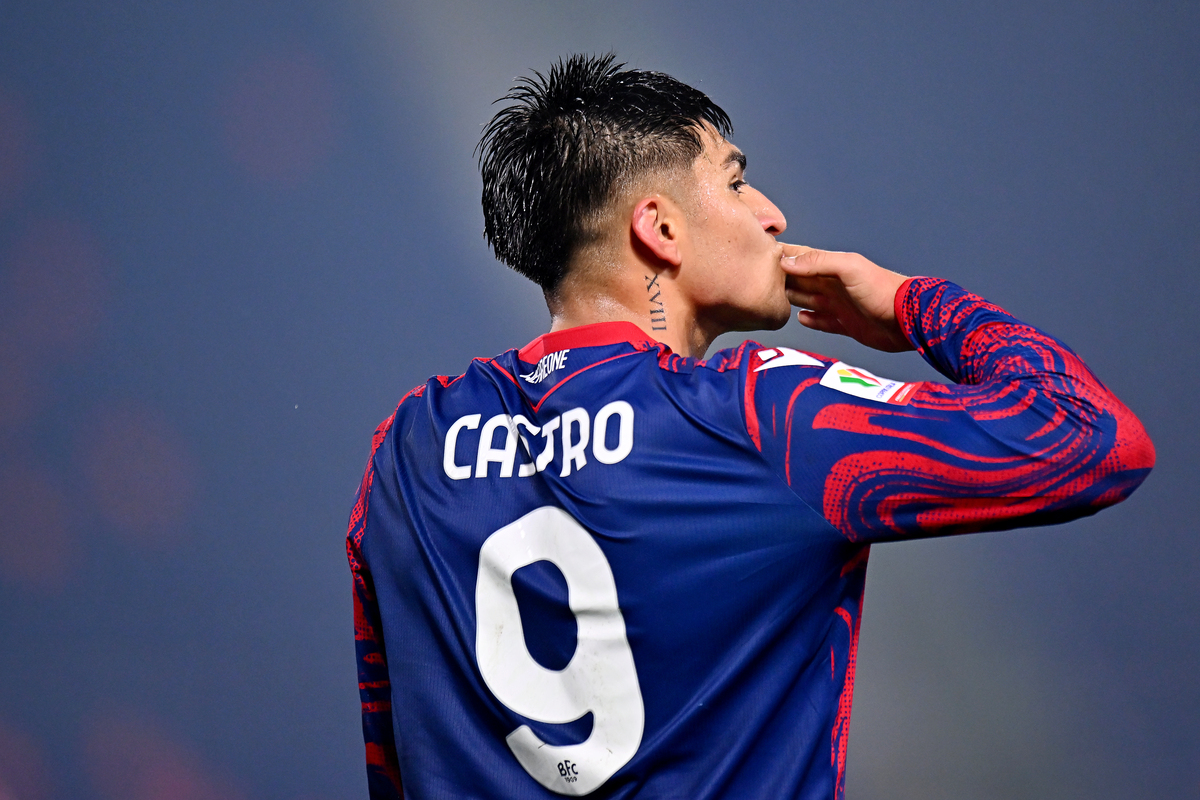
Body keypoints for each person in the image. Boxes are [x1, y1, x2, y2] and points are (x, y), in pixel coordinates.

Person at [346, 54, 1154, 799]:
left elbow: (397, 756)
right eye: (735, 182)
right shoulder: (758, 413)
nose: (771, 214)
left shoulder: (411, 448)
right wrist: (916, 304)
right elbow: (1091, 440)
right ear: (659, 229)